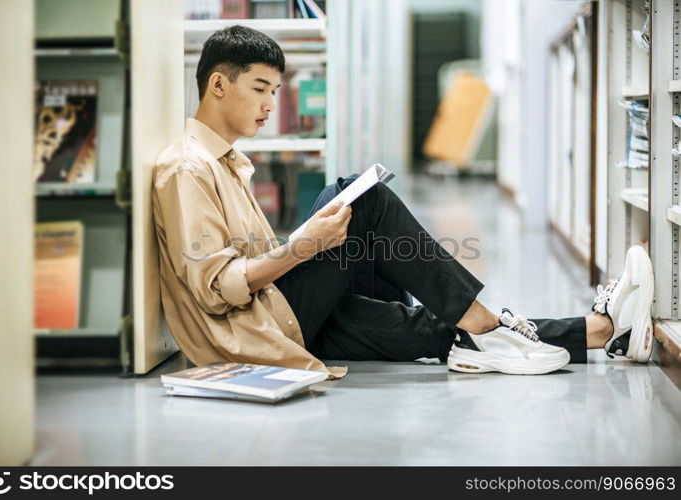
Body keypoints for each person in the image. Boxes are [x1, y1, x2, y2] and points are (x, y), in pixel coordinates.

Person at [152, 26, 655, 378]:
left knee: (435, 325)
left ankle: (601, 332)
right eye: (260, 89)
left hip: (279, 312)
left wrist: (305, 244)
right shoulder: (188, 167)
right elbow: (218, 289)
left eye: (275, 90)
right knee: (363, 201)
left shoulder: (224, 161)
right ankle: (479, 318)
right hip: (253, 328)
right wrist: (304, 246)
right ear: (218, 84)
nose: (269, 105)